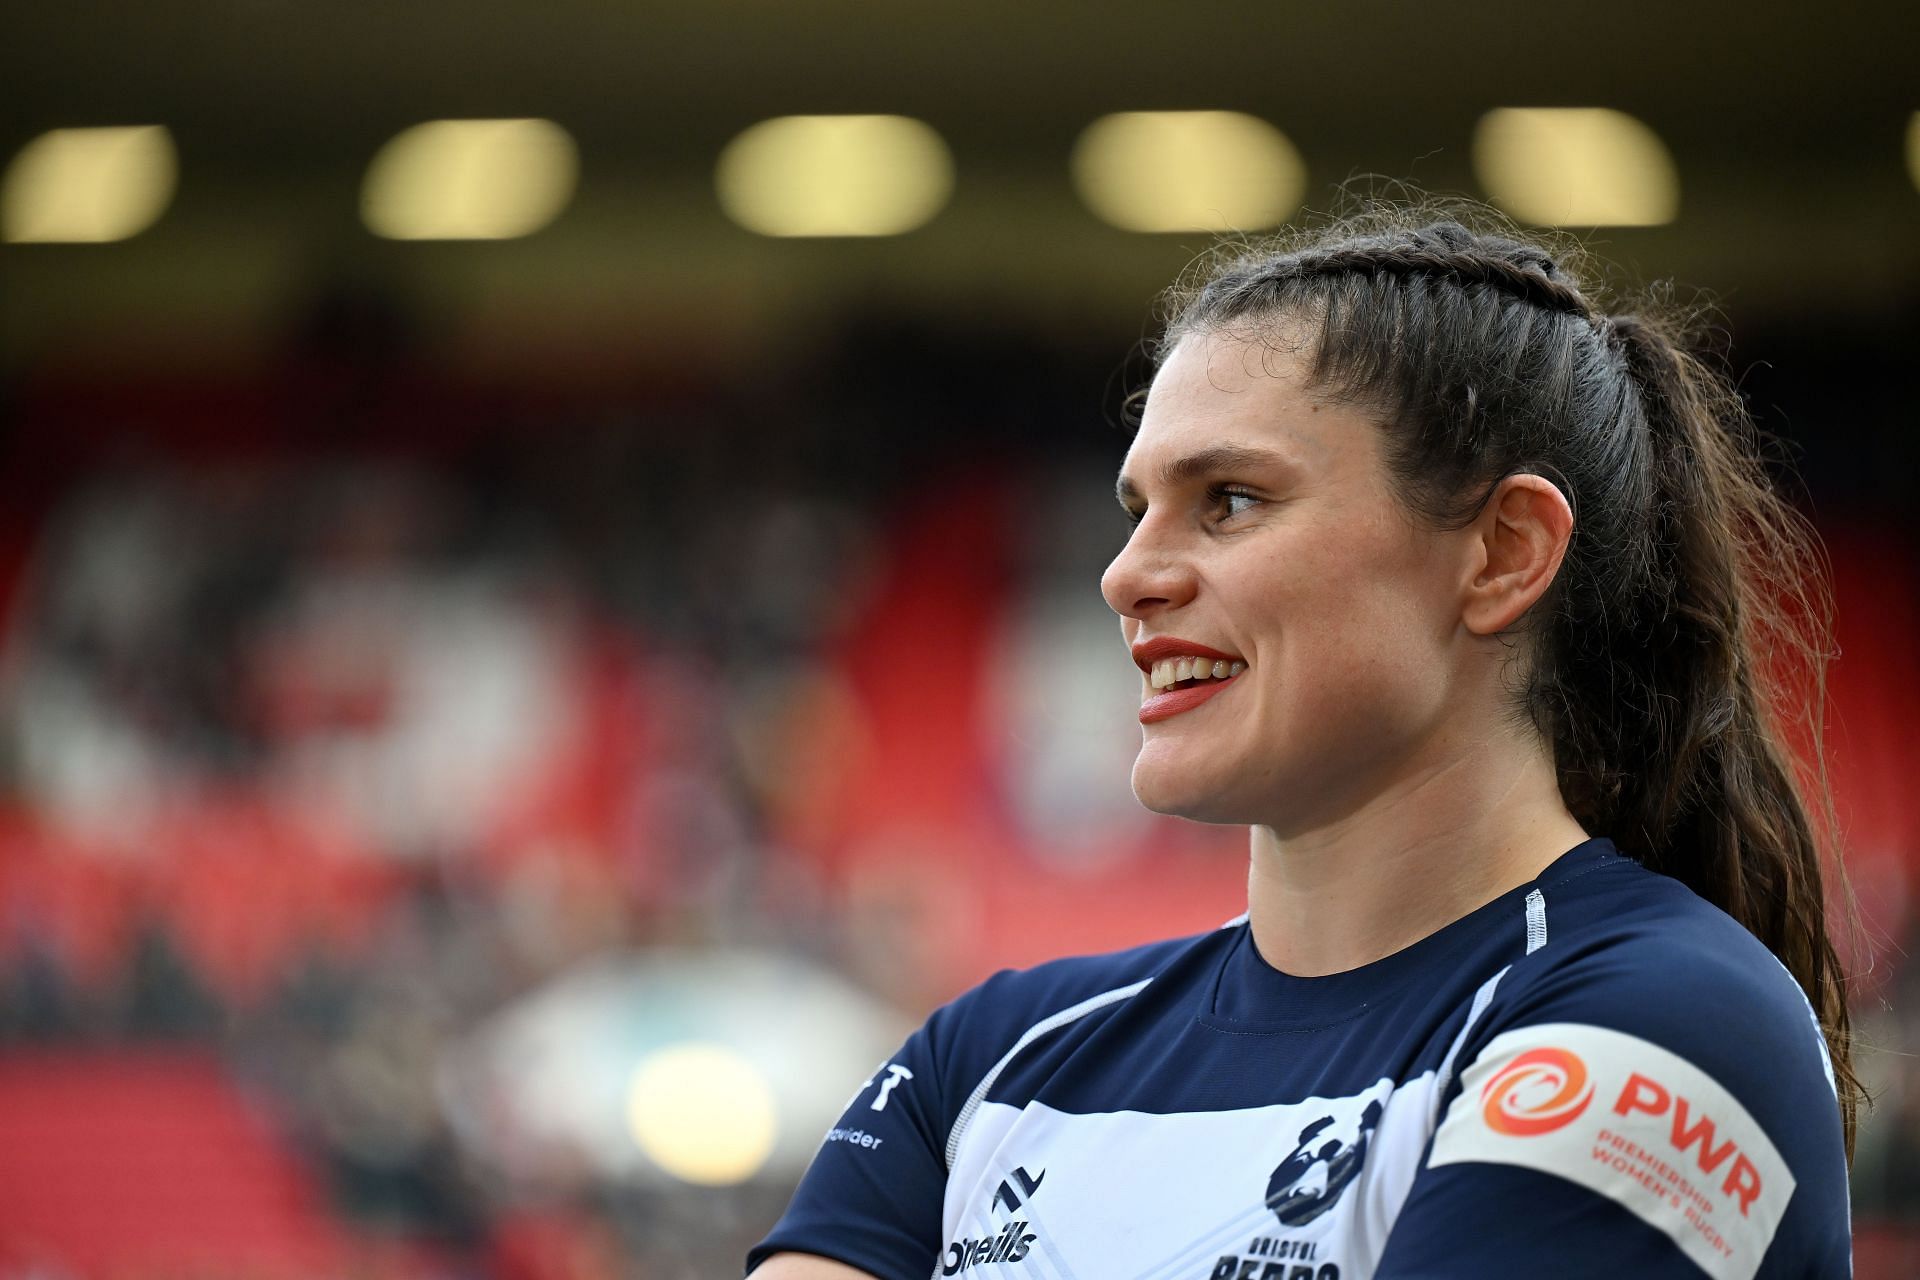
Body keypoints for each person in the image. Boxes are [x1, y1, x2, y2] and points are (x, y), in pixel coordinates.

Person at [746, 208, 1856, 1279]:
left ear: (1505, 553)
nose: (1127, 574)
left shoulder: (1671, 1024)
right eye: (1135, 507)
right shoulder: (988, 1059)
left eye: (1228, 500)